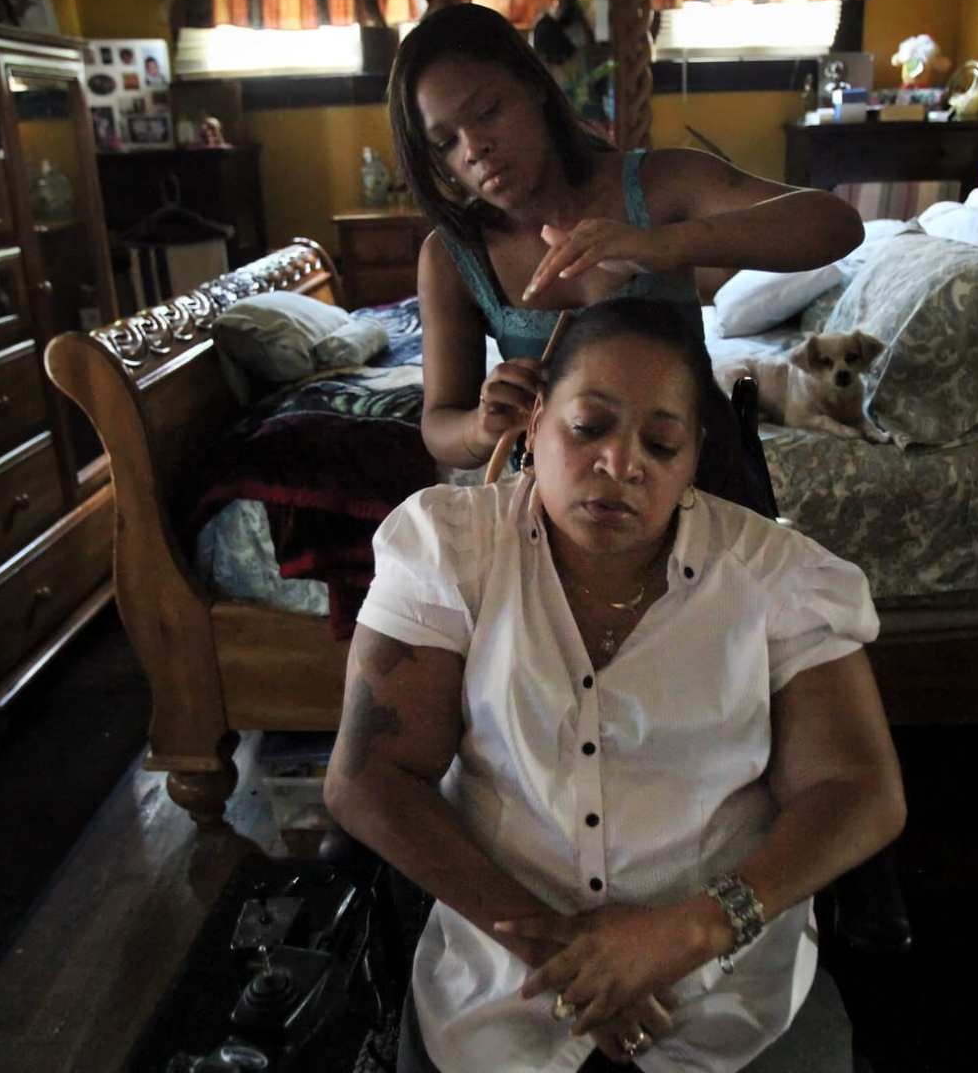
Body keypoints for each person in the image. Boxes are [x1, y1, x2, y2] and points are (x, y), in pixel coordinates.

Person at [325, 297, 905, 1072]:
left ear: (694, 457)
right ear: (533, 422)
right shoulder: (451, 548)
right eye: (588, 427)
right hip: (502, 971)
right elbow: (369, 775)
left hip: (727, 974)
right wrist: (567, 952)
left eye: (660, 444)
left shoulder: (777, 578)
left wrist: (690, 931)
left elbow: (858, 787)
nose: (621, 464)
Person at [385, 2, 865, 481]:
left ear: (533, 85)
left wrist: (663, 244)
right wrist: (479, 428)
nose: (473, 149)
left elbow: (837, 223)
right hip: (565, 514)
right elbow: (439, 423)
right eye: (445, 142)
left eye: (488, 111)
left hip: (702, 493)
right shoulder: (451, 257)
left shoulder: (660, 184)